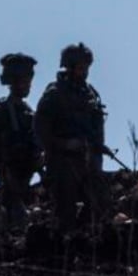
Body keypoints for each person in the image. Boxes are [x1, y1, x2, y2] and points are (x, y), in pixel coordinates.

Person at [34, 43, 110, 232]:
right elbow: (40, 129)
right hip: (63, 162)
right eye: (81, 67)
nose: (84, 72)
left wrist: (99, 147)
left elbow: (96, 126)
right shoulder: (55, 94)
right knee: (65, 211)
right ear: (69, 67)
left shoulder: (90, 93)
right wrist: (63, 144)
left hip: (89, 161)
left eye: (87, 68)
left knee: (99, 205)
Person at [0, 53, 41, 231]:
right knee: (13, 210)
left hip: (26, 171)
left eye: (29, 80)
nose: (27, 85)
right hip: (9, 171)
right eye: (24, 80)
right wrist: (0, 166)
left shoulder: (26, 112)